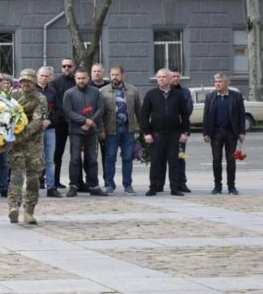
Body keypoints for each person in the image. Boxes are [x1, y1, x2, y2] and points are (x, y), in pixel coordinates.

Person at [141, 69, 191, 196]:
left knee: (174, 162)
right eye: (159, 77)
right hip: (156, 134)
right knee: (156, 162)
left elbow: (185, 115)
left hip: (174, 134)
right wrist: (146, 133)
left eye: (164, 77)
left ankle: (175, 188)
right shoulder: (151, 94)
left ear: (169, 79)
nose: (161, 79)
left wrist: (185, 132)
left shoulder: (178, 95)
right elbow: (144, 115)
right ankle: (153, 187)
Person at [7, 69, 48, 224]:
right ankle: (13, 207)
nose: (25, 84)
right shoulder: (13, 95)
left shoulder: (40, 99)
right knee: (16, 177)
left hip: (34, 145)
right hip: (16, 147)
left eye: (29, 82)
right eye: (23, 81)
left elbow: (37, 123)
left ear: (34, 83)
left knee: (33, 179)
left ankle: (29, 211)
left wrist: (19, 137)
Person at [62, 69, 107, 197]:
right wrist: (84, 120)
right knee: (75, 159)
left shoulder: (95, 92)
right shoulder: (69, 93)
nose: (81, 81)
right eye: (79, 78)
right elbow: (68, 111)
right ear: (75, 79)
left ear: (88, 78)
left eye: (84, 78)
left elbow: (101, 108)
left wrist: (91, 121)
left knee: (92, 159)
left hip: (92, 131)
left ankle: (94, 185)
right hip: (76, 131)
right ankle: (73, 185)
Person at [100, 66, 141, 195]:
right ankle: (109, 185)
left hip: (128, 129)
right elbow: (99, 113)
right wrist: (101, 130)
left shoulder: (132, 90)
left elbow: (139, 111)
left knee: (128, 158)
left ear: (123, 75)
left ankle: (127, 185)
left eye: (117, 75)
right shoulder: (103, 91)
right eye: (112, 75)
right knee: (110, 158)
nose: (114, 77)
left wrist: (140, 130)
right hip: (111, 130)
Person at [203, 72, 246, 195]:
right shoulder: (210, 97)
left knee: (231, 160)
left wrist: (242, 132)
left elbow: (241, 115)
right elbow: (206, 116)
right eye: (216, 82)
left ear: (227, 83)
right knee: (216, 160)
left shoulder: (236, 96)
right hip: (215, 133)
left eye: (220, 81)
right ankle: (217, 186)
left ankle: (231, 186)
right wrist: (206, 133)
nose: (217, 84)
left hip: (231, 132)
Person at [52, 58, 78, 190]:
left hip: (76, 123)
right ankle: (55, 181)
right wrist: (64, 113)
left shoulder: (78, 81)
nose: (66, 68)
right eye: (64, 66)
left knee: (76, 154)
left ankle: (77, 182)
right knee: (57, 154)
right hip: (60, 123)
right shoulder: (55, 83)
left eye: (69, 66)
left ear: (74, 67)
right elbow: (55, 102)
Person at [36, 67, 62, 197]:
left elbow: (58, 110)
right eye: (42, 76)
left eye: (46, 76)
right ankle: (33, 187)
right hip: (34, 130)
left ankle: (51, 187)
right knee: (34, 159)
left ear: (50, 77)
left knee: (50, 160)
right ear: (37, 76)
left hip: (50, 129)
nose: (44, 78)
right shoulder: (32, 91)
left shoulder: (53, 91)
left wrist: (50, 121)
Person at [170, 70, 194, 193]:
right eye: (173, 76)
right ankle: (159, 182)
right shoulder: (164, 91)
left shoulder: (185, 92)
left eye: (178, 76)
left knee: (181, 156)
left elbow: (188, 109)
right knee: (162, 158)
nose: (176, 78)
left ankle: (181, 182)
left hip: (180, 130)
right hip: (165, 130)